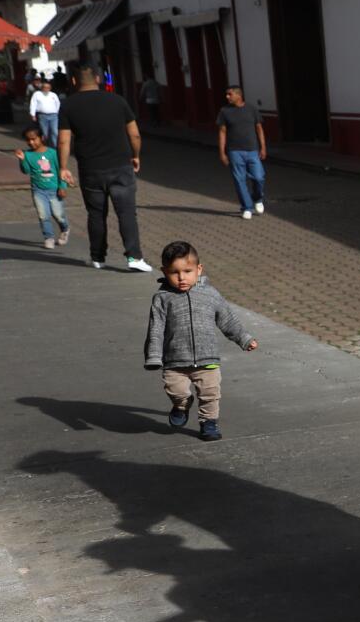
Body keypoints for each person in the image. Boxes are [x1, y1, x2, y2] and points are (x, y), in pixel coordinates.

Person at [144, 239, 258, 442]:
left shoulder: (210, 294)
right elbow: (156, 328)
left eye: (187, 271)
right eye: (174, 272)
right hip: (175, 361)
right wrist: (153, 355)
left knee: (210, 394)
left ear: (199, 269)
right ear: (164, 271)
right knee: (174, 389)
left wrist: (244, 338)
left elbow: (227, 319)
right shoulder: (162, 298)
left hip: (207, 359)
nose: (181, 278)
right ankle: (182, 403)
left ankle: (208, 423)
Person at [58, 63, 148, 272]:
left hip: (90, 168)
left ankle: (97, 257)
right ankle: (134, 258)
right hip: (120, 166)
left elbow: (63, 140)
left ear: (74, 81)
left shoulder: (69, 106)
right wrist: (135, 155)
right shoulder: (118, 101)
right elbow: (134, 133)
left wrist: (63, 167)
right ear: (98, 79)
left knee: (96, 214)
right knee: (126, 213)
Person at [14, 125, 71, 249]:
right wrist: (22, 160)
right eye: (28, 140)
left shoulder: (53, 153)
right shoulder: (28, 155)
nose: (31, 142)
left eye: (34, 139)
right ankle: (48, 237)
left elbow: (61, 170)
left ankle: (65, 229)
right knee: (43, 215)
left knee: (58, 214)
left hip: (54, 189)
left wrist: (63, 186)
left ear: (42, 138)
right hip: (38, 190)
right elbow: (26, 171)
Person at [217, 86, 268, 219]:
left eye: (230, 94)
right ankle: (246, 207)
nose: (227, 97)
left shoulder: (252, 109)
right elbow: (222, 132)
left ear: (238, 95)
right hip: (234, 151)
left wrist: (263, 147)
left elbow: (259, 128)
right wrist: (222, 152)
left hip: (252, 150)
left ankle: (257, 198)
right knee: (239, 180)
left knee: (259, 177)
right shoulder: (224, 111)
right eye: (226, 94)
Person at [29, 77, 62, 148]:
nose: (46, 89)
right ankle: (46, 146)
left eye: (48, 88)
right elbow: (33, 104)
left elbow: (58, 104)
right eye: (45, 87)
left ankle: (55, 147)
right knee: (45, 133)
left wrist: (58, 113)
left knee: (55, 132)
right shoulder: (37, 94)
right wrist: (33, 114)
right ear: (42, 88)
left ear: (50, 88)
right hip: (42, 116)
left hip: (53, 116)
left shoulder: (53, 95)